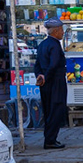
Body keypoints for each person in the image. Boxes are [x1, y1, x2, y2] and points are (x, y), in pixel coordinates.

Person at [36, 18, 68, 149]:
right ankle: (50, 140)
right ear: (55, 31)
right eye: (61, 30)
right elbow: (54, 64)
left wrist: (40, 76)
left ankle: (49, 138)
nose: (62, 33)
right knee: (57, 109)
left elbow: (37, 64)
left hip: (45, 83)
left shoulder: (42, 44)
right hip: (55, 81)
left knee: (48, 110)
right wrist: (47, 76)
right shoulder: (54, 45)